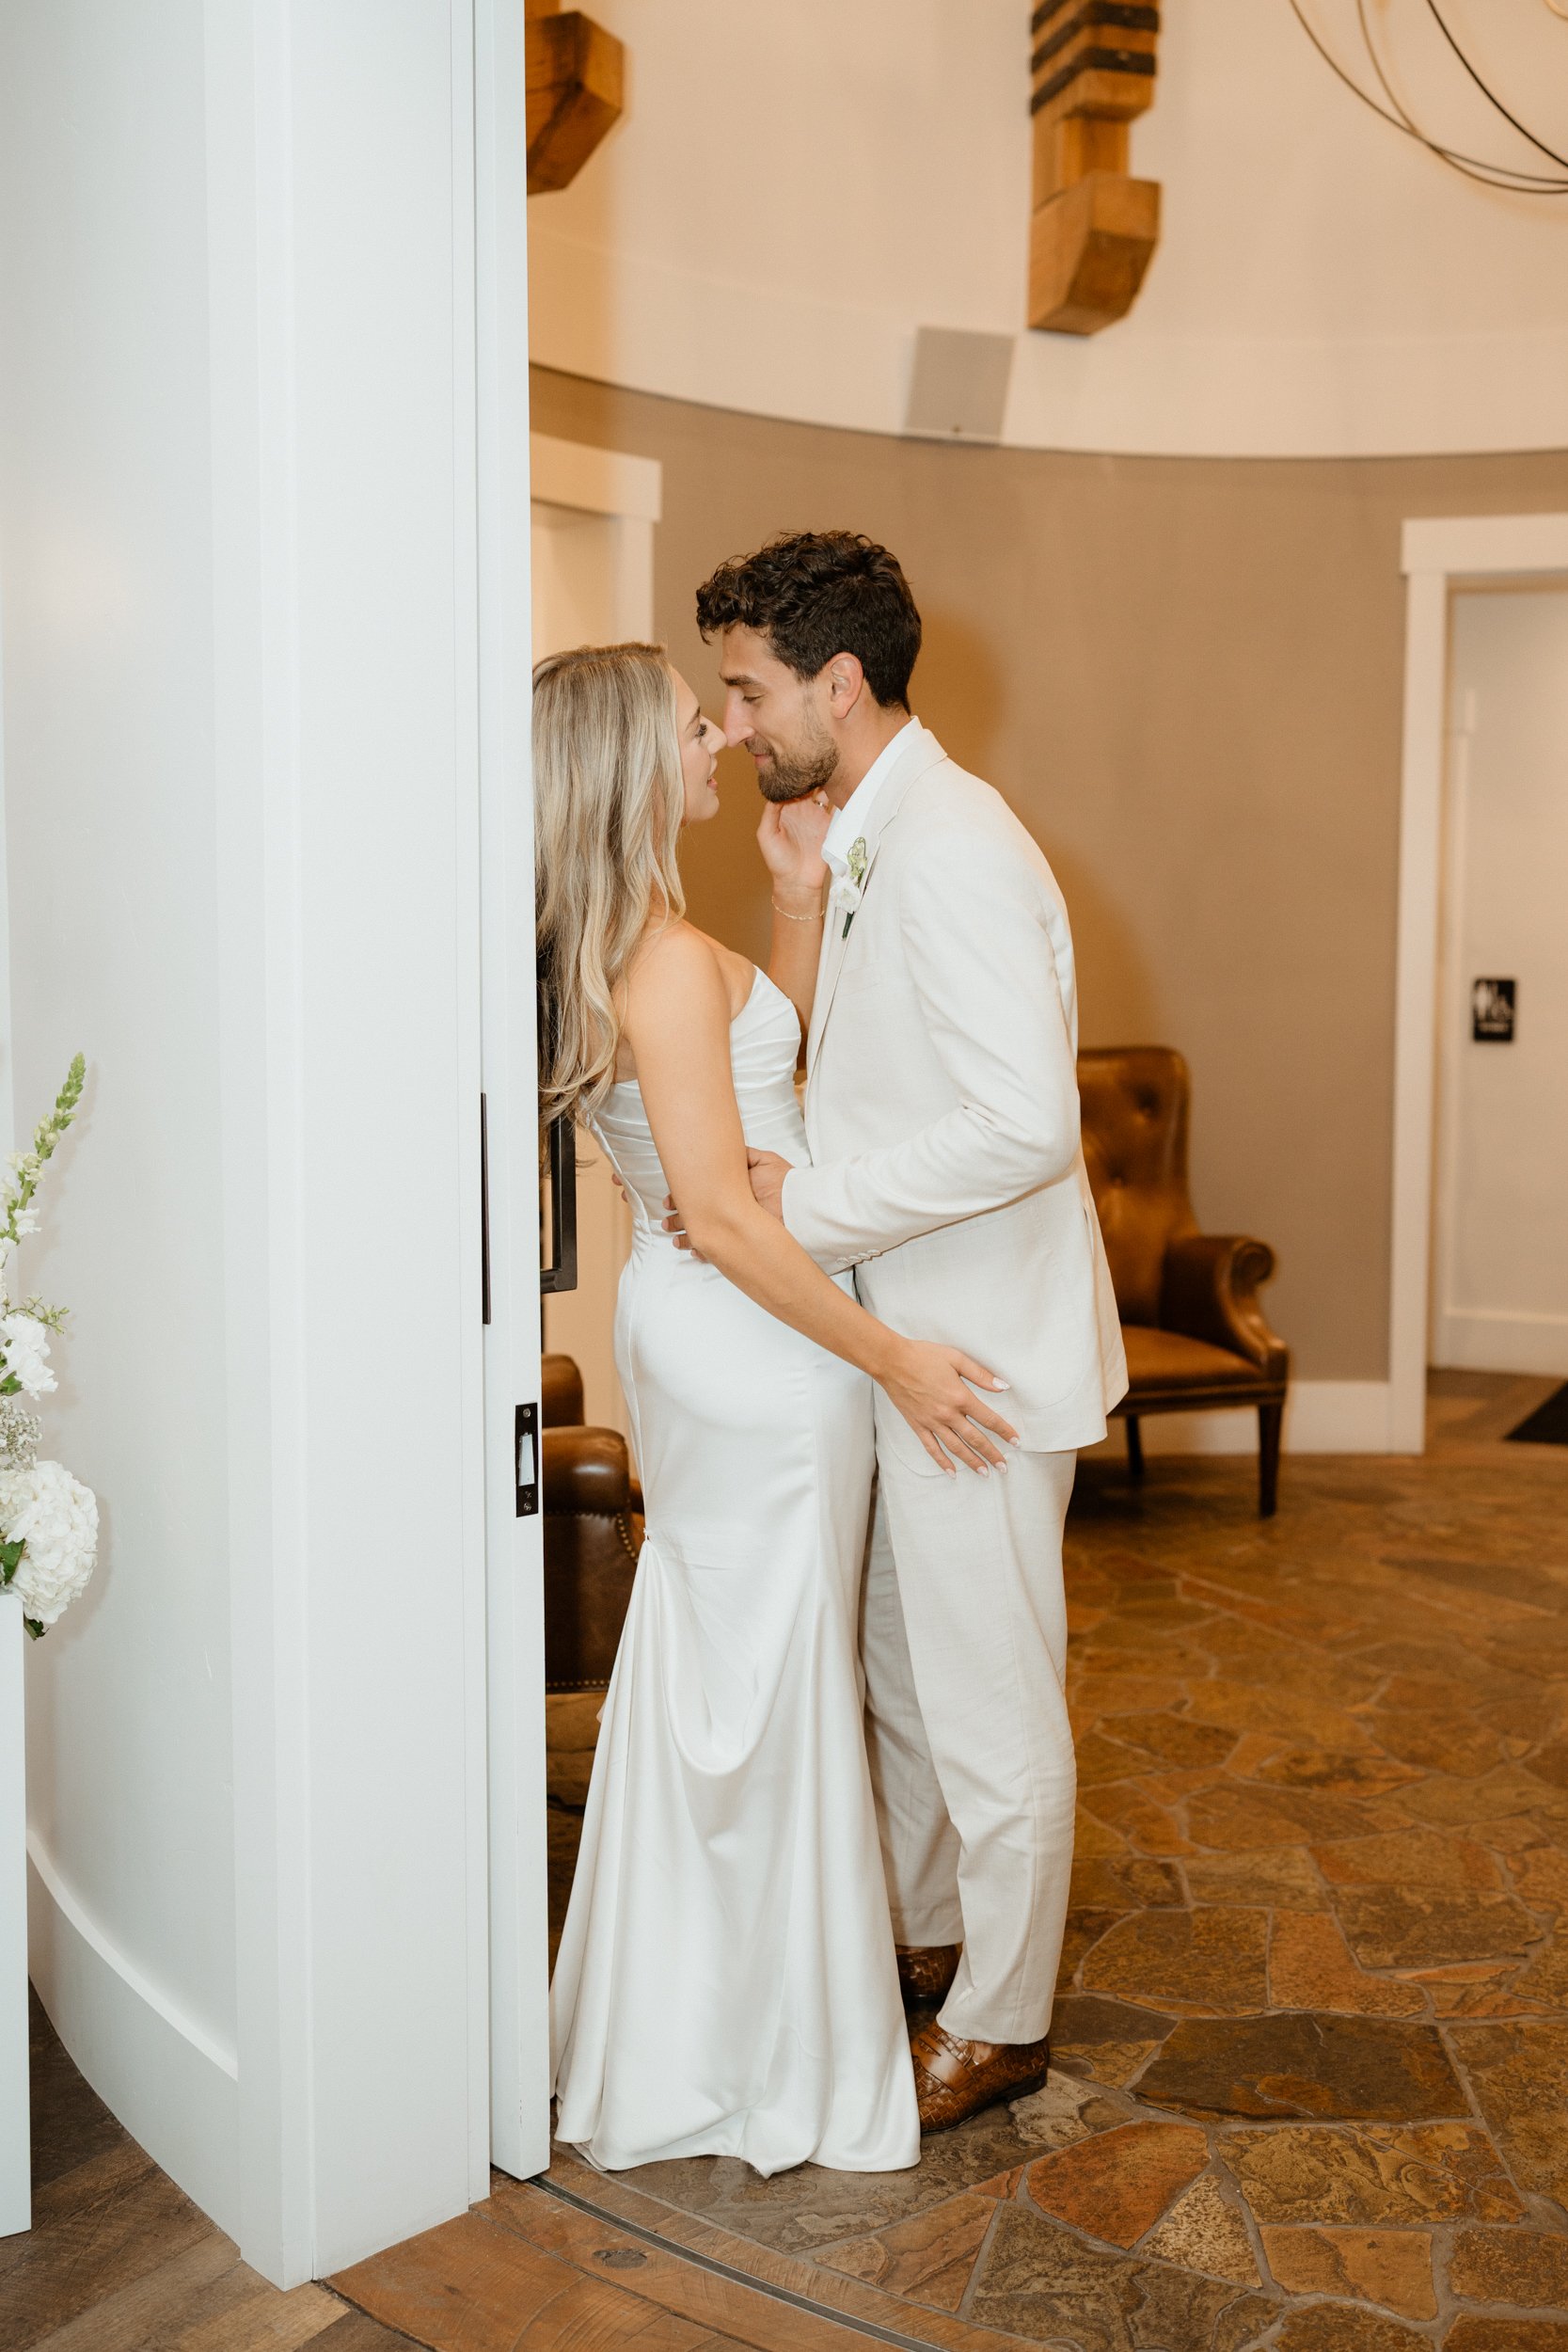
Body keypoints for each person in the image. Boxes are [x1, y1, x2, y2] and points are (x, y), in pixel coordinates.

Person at [540, 642, 1017, 2175]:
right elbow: (731, 1213)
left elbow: (767, 1090)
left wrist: (797, 900)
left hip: (721, 1336)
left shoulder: (650, 937)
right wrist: (899, 1363)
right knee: (763, 1677)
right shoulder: (659, 956)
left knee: (743, 1669)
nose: (722, 740)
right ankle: (757, 2046)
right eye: (696, 723)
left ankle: (713, 2012)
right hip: (753, 1340)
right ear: (630, 765)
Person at [673, 532, 1128, 2134]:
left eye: (746, 692)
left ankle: (1001, 2021)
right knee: (912, 1682)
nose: (731, 727)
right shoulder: (874, 828)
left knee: (994, 1706)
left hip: (976, 1362)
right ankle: (936, 1938)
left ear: (838, 684)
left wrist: (811, 1207)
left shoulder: (953, 847)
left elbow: (1022, 1124)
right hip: (903, 1343)